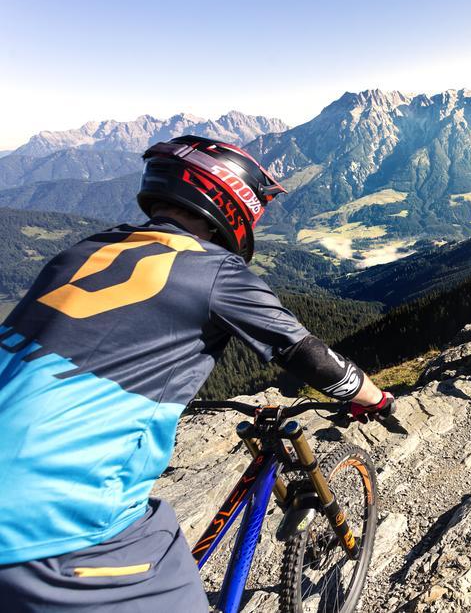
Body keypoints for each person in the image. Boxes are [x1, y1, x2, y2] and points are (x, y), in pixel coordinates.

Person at [0, 136, 395, 612]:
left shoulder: (87, 249)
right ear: (235, 204)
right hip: (50, 514)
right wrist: (373, 398)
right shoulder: (214, 271)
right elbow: (305, 351)